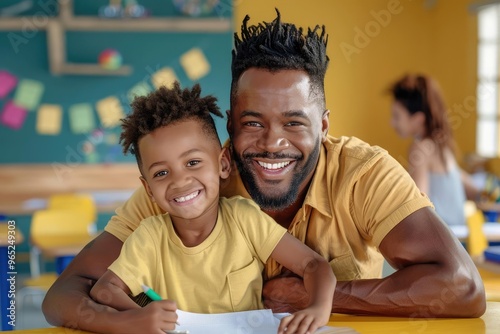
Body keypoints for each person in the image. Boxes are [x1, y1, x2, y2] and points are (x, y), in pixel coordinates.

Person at [42, 10, 486, 332]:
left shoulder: (364, 174)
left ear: (325, 126)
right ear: (229, 130)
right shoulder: (186, 185)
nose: (273, 143)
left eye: (294, 122)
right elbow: (66, 294)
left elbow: (463, 289)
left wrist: (313, 299)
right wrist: (130, 321)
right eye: (252, 123)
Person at [88, 82, 336, 334]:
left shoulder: (244, 218)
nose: (179, 181)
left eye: (193, 162)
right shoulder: (149, 237)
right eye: (161, 172)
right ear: (149, 189)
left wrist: (318, 308)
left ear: (223, 164)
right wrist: (138, 318)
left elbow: (314, 265)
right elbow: (104, 290)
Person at [389, 74, 481, 226]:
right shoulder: (442, 146)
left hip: (442, 243)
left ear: (418, 119)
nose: (392, 123)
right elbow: (470, 188)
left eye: (397, 116)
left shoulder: (420, 149)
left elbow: (416, 208)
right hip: (458, 242)